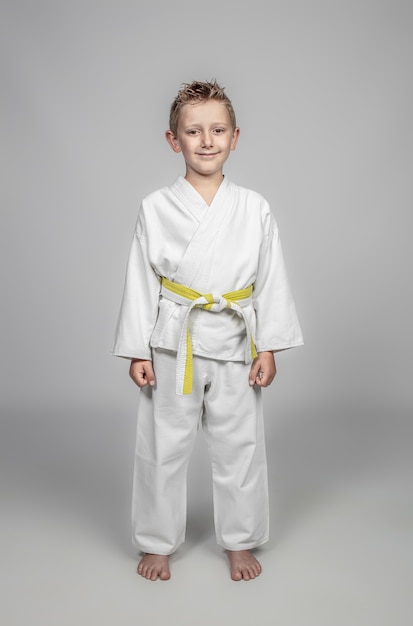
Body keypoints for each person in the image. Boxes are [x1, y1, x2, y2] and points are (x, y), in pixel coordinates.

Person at [112, 80, 303, 582]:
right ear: (173, 140)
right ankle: (157, 542)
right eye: (193, 131)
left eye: (217, 130)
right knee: (163, 444)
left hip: (237, 342)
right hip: (175, 340)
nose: (207, 140)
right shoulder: (155, 207)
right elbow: (139, 281)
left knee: (240, 444)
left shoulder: (255, 207)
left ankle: (239, 541)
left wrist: (270, 345)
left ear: (235, 137)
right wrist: (138, 349)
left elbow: (271, 277)